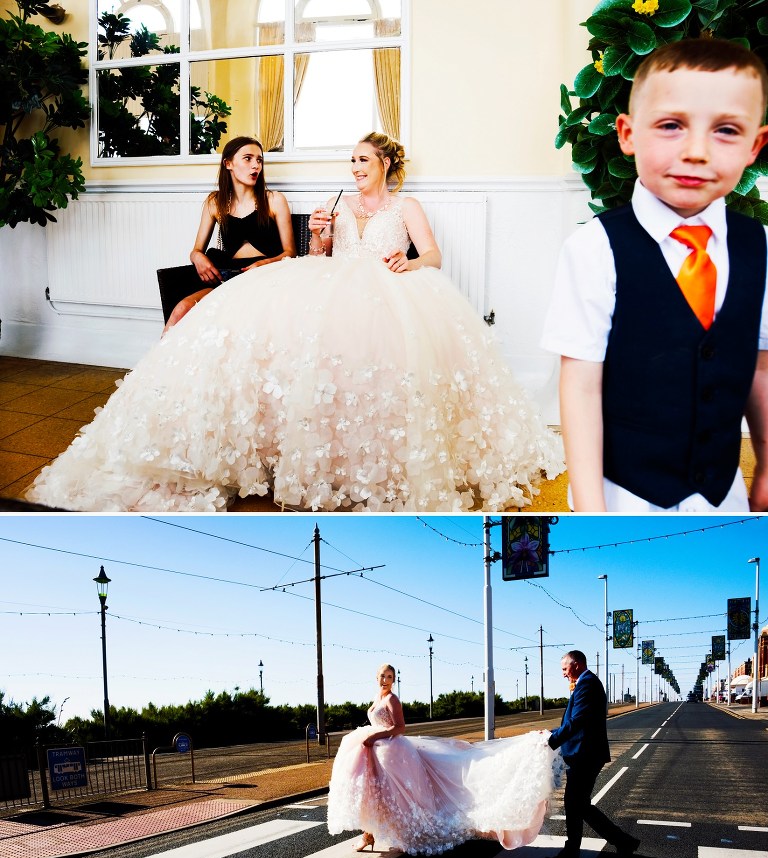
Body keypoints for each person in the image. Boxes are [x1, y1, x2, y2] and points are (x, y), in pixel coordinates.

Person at [26, 132, 562, 513]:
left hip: (391, 291)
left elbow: (434, 256)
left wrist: (410, 262)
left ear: (385, 166)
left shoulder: (407, 206)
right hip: (338, 284)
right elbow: (322, 256)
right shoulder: (338, 201)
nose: (355, 169)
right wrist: (323, 236)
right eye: (352, 160)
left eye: (364, 161)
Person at [541, 38, 768, 513]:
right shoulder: (593, 249)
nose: (697, 152)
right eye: (671, 126)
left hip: (722, 493)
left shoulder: (759, 245)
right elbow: (581, 386)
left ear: (755, 145)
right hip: (622, 494)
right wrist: (590, 510)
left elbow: (760, 362)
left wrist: (765, 458)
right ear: (627, 134)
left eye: (726, 130)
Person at [327, 663, 563, 856]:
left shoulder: (392, 700)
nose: (385, 679)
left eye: (390, 676)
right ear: (376, 677)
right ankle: (369, 834)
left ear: (394, 679)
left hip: (391, 752)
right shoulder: (378, 698)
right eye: (382, 676)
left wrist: (376, 735)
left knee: (397, 799)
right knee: (376, 796)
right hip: (377, 752)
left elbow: (400, 728)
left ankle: (384, 834)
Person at [164, 136, 295, 331]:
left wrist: (263, 264)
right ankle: (163, 361)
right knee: (181, 309)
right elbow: (196, 250)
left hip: (264, 276)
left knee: (231, 313)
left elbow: (290, 252)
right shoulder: (214, 203)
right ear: (228, 164)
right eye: (248, 158)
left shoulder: (274, 200)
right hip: (227, 277)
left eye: (259, 160)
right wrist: (198, 257)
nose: (256, 166)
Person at [545, 650, 639, 858]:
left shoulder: (587, 684)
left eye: (564, 669)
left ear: (576, 664)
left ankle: (623, 842)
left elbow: (576, 721)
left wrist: (552, 740)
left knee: (578, 804)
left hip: (585, 755)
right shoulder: (585, 682)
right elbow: (573, 721)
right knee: (576, 804)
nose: (563, 674)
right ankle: (574, 851)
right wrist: (550, 733)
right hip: (582, 754)